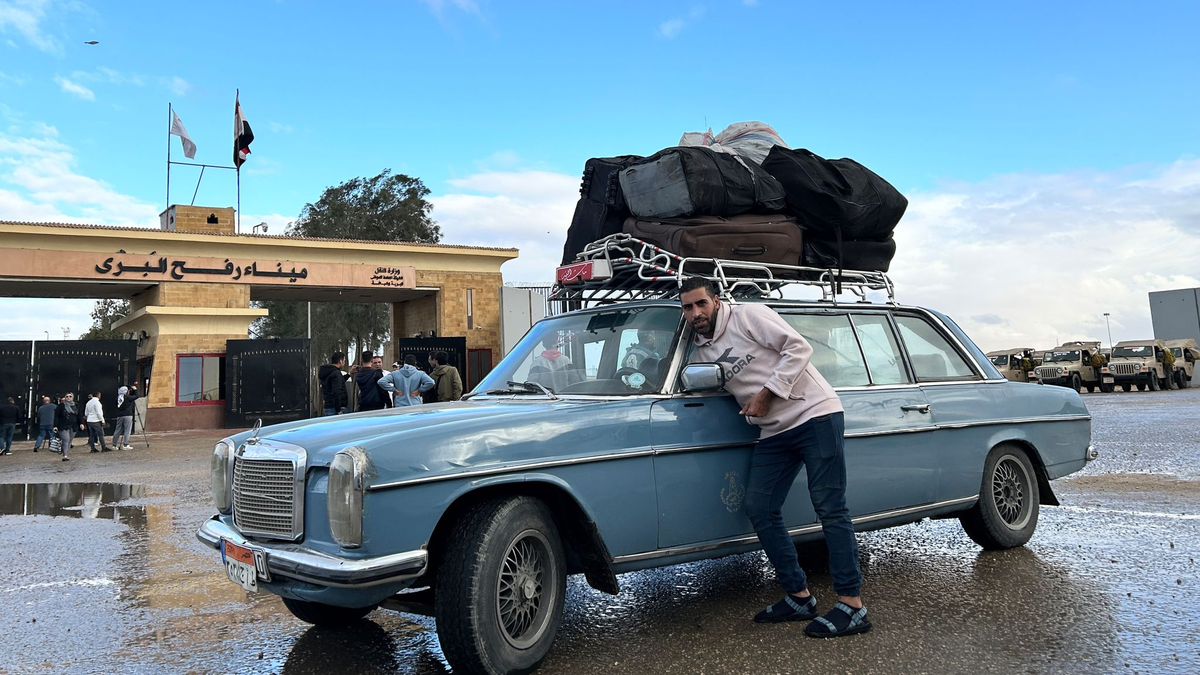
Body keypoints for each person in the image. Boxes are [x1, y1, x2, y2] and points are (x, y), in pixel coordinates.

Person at [679, 277, 869, 637]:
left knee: (829, 506)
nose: (695, 312)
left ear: (716, 301)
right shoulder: (699, 350)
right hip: (774, 431)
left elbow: (798, 348)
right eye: (688, 307)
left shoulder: (749, 315)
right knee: (760, 506)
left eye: (701, 303)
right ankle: (799, 596)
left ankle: (852, 605)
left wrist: (768, 393)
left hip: (815, 415)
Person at [54, 392, 83, 461]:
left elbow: (79, 415)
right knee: (66, 439)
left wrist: (81, 423)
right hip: (63, 425)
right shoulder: (61, 406)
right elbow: (56, 416)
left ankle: (65, 451)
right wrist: (55, 425)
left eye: (70, 396)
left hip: (73, 425)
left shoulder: (76, 405)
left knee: (70, 439)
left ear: (72, 397)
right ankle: (65, 455)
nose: (68, 398)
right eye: (67, 396)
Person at [113, 384, 138, 450]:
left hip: (119, 415)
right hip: (127, 415)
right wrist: (135, 390)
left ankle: (114, 445)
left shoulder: (117, 399)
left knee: (117, 430)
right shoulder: (127, 398)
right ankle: (125, 444)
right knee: (127, 430)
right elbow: (136, 396)